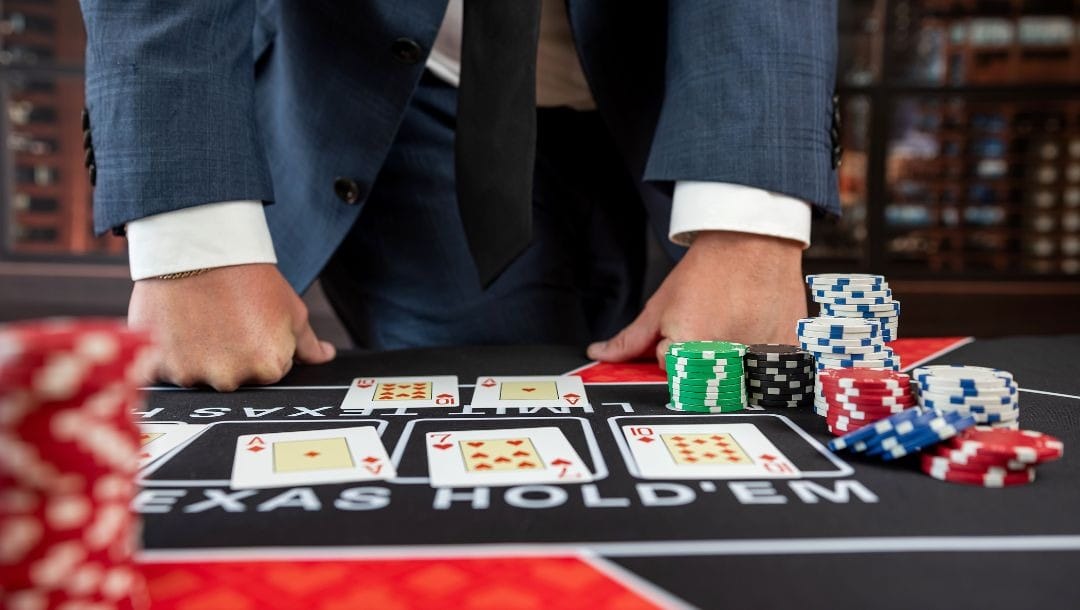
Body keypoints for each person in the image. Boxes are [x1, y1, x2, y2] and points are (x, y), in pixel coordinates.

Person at [80, 0, 840, 391]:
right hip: (404, 77)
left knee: (638, 401)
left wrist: (750, 221)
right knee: (503, 411)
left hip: (685, 84)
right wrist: (193, 231)